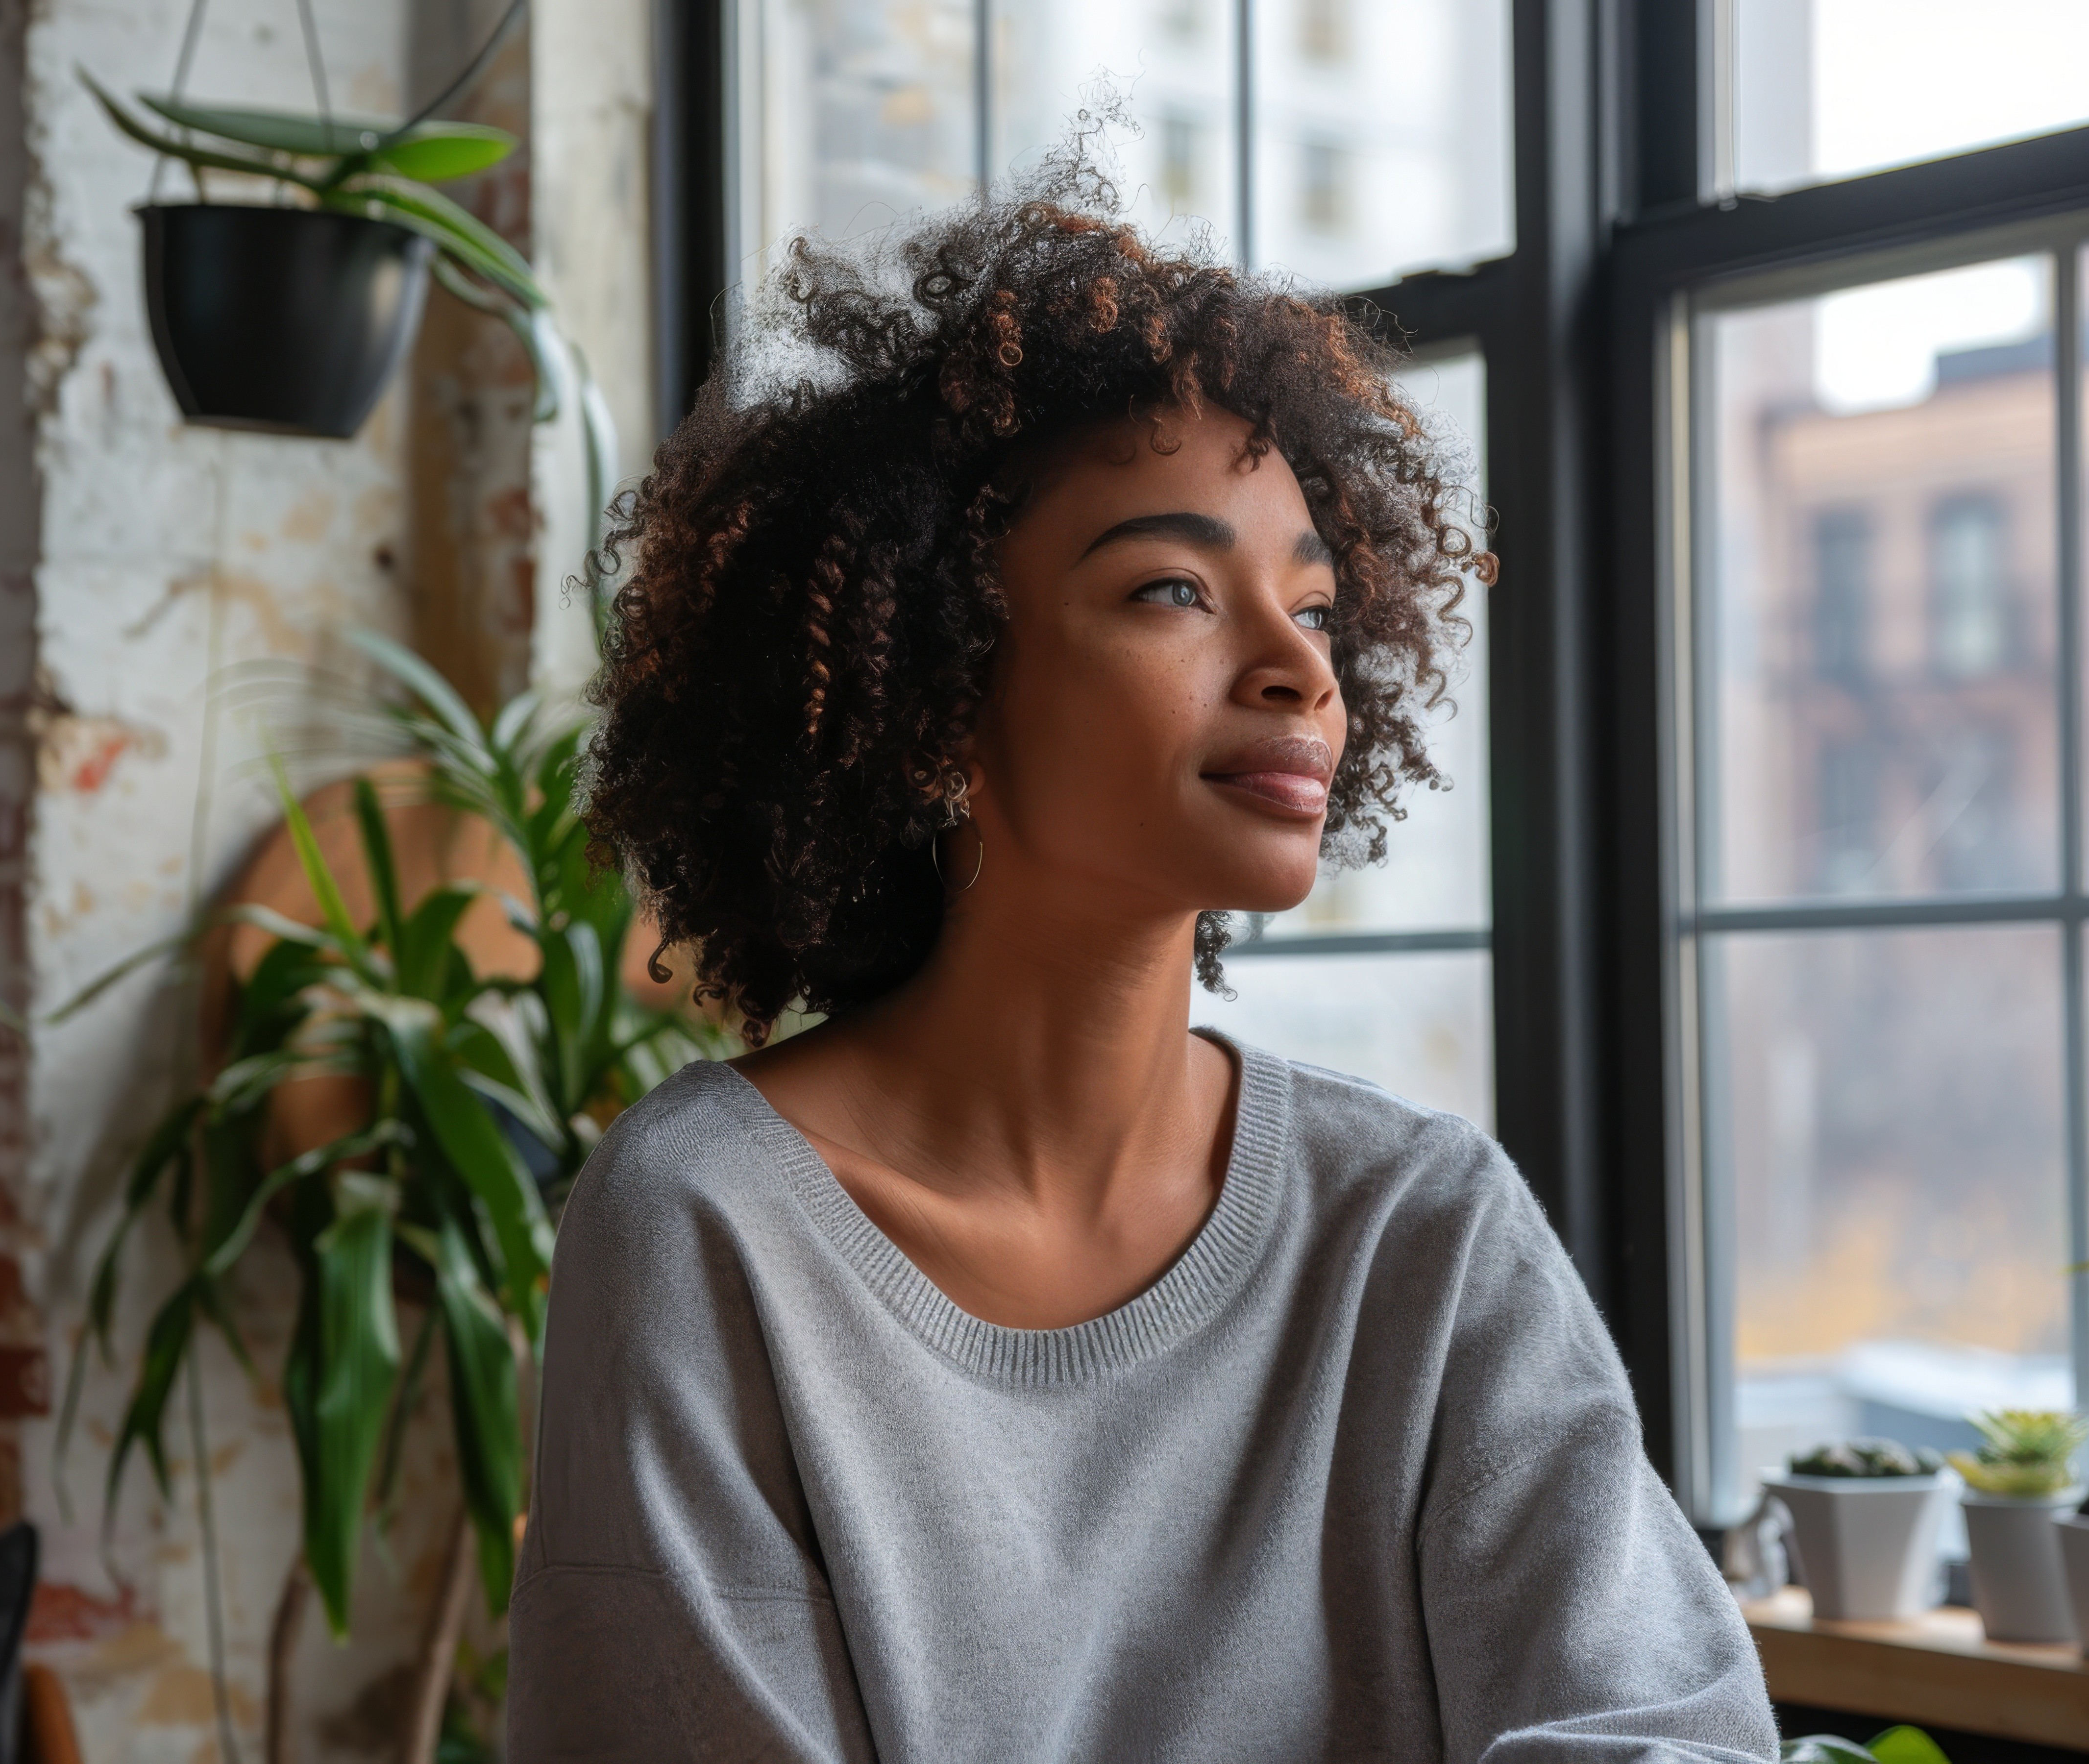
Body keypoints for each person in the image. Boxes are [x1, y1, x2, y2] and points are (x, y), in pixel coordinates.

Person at [508, 154, 1778, 1762]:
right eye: (1174, 588)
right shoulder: (710, 1226)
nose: (1296, 670)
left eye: (1315, 606)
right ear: (938, 694)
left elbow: (1669, 1732)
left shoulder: (1422, 1226)